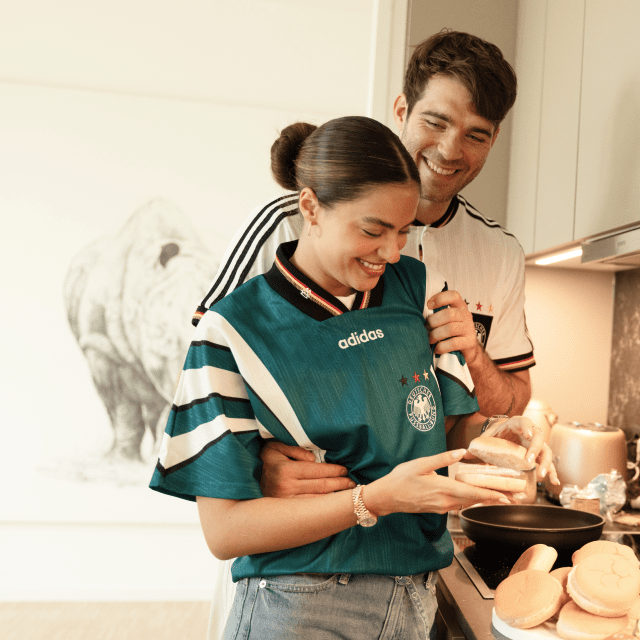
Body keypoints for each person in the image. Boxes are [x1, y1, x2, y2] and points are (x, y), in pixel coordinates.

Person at [194, 31, 556, 638]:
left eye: (477, 133)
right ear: (401, 111)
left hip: (406, 568)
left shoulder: (495, 253)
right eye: (437, 121)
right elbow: (208, 378)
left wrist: (483, 377)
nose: (450, 148)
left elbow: (497, 402)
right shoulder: (285, 223)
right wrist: (257, 466)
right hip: (299, 565)